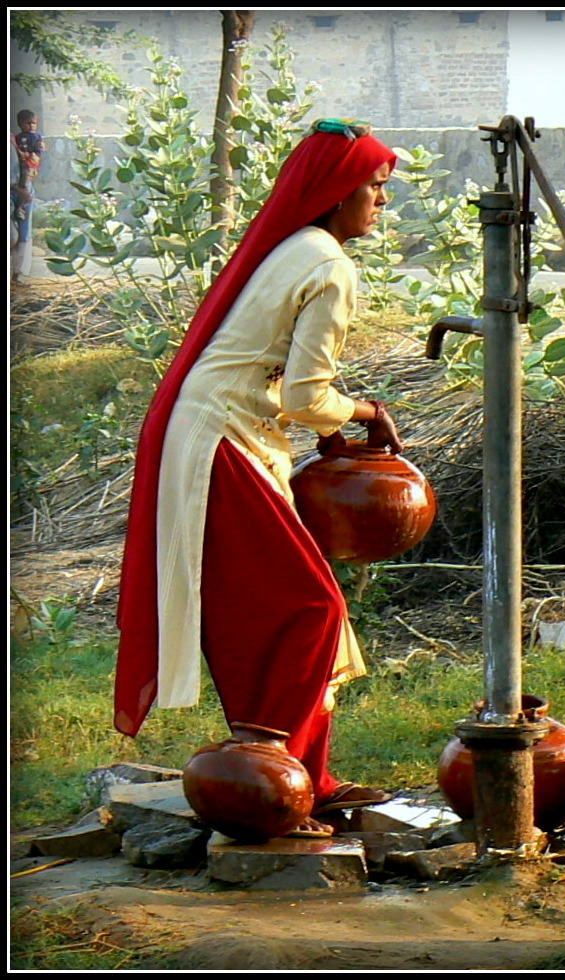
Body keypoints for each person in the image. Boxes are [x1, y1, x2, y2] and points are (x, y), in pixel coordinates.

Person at [115, 119, 403, 838]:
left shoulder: (296, 246)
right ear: (339, 193)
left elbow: (281, 383)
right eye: (374, 188)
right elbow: (307, 397)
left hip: (220, 433)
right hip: (222, 441)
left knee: (275, 608)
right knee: (310, 608)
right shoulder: (330, 264)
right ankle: (273, 780)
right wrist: (368, 411)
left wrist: (337, 421)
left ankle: (306, 776)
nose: (381, 203)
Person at [11, 108, 45, 280]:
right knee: (13, 234)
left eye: (34, 123)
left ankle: (20, 272)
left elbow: (36, 157)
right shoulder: (15, 139)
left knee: (24, 231)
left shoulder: (34, 139)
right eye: (28, 123)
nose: (32, 126)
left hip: (25, 183)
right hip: (15, 190)